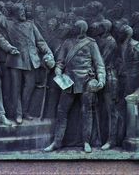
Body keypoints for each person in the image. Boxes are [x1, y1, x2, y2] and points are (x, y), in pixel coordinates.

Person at [0, 0, 55, 124]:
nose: (23, 13)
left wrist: (48, 52)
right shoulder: (10, 24)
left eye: (24, 10)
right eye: (20, 11)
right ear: (15, 13)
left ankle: (25, 112)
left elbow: (40, 42)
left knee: (29, 86)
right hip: (16, 60)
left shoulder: (31, 25)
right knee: (16, 88)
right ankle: (18, 114)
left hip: (31, 60)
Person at [44, 20, 105, 153]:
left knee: (86, 113)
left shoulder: (91, 43)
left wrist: (101, 79)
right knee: (61, 112)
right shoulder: (67, 43)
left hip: (86, 81)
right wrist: (58, 73)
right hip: (68, 82)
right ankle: (57, 142)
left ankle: (86, 142)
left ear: (82, 29)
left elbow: (99, 64)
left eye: (76, 26)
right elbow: (60, 63)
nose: (73, 28)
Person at [89, 20, 119, 150]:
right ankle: (98, 139)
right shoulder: (98, 40)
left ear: (106, 28)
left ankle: (112, 140)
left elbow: (102, 59)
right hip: (99, 76)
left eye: (101, 26)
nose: (98, 28)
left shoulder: (111, 41)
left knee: (111, 110)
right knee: (98, 108)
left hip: (109, 77)